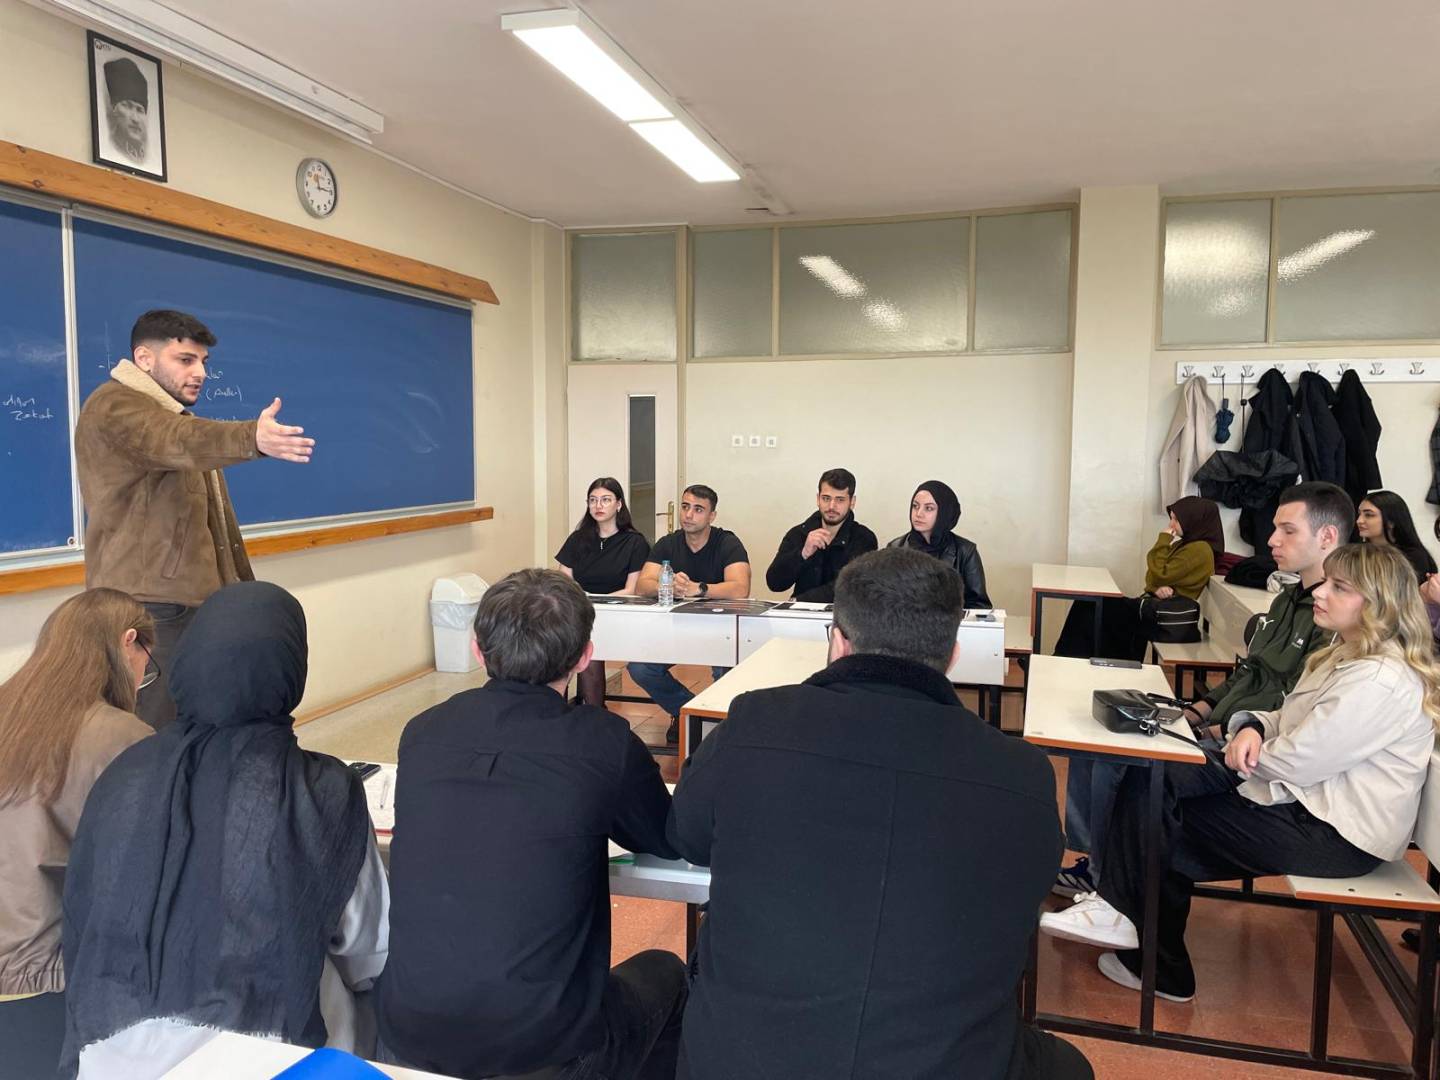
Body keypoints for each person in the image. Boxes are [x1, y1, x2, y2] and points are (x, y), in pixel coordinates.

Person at [668, 547, 1093, 1080]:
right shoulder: (1022, 774)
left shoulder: (755, 721)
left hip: (737, 1061)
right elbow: (1029, 886)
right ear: (953, 655)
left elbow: (685, 834)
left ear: (837, 641)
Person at [1040, 543, 1439, 1003]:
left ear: (1377, 604)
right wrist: (1253, 726)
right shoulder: (1348, 654)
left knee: (1160, 822)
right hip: (1301, 798)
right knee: (1155, 780)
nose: (1320, 592)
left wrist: (1240, 748)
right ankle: (1131, 928)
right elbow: (1286, 716)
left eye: (1339, 587)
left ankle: (1147, 948)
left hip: (1336, 833)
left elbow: (1302, 760)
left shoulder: (1380, 679)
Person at [60, 582, 388, 1079]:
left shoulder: (124, 773)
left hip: (109, 1048)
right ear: (290, 669)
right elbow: (368, 951)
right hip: (264, 1055)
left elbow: (82, 918)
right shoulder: (321, 789)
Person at [378, 569, 685, 1080]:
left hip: (404, 1037)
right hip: (544, 1054)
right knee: (668, 972)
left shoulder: (423, 731)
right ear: (585, 657)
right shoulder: (603, 742)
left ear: (477, 650)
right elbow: (664, 838)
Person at [1055, 482, 1351, 898]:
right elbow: (1248, 671)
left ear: (1327, 537)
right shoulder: (1285, 599)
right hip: (1224, 725)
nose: (1271, 540)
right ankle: (1096, 860)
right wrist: (1197, 710)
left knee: (1131, 767)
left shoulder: (1334, 619)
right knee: (1100, 742)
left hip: (1251, 747)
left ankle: (1106, 882)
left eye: (1287, 530)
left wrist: (1218, 728)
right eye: (1274, 528)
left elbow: (1293, 704)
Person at [75, 309, 316, 731]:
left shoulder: (169, 415)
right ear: (144, 359)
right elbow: (178, 440)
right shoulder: (115, 406)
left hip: (190, 602)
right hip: (150, 607)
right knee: (152, 728)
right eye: (185, 360)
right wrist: (252, 437)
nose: (200, 372)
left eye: (203, 361)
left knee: (195, 723)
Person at [0, 590, 154, 1080]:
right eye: (147, 664)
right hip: (51, 979)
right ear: (129, 642)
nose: (142, 680)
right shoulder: (121, 736)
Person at [633, 484, 751, 743]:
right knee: (640, 668)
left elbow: (740, 588)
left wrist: (700, 589)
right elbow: (642, 585)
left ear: (712, 516)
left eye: (698, 509)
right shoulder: (668, 543)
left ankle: (723, 727)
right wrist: (667, 586)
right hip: (677, 627)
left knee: (725, 673)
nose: (688, 514)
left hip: (720, 630)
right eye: (685, 507)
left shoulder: (727, 542)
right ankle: (688, 712)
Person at [1054, 495, 1223, 661]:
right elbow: (1152, 576)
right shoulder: (1186, 544)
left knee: (1090, 605)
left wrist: (1164, 540)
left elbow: (1158, 573)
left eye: (1176, 520)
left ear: (1193, 520)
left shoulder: (1200, 550)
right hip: (1154, 607)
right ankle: (1069, 659)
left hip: (1164, 615)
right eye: (1171, 518)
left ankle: (1065, 659)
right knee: (1090, 604)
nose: (1171, 525)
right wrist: (1156, 587)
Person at [556, 477, 651, 707]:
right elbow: (563, 580)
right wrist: (582, 603)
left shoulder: (634, 542)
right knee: (558, 647)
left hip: (618, 613)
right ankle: (557, 711)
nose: (598, 505)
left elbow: (632, 590)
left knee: (590, 644)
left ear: (619, 504)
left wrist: (595, 602)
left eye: (605, 500)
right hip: (580, 611)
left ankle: (594, 712)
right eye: (593, 500)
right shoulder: (578, 539)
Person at [765, 467, 878, 603]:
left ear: (852, 502)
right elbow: (774, 583)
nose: (831, 506)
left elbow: (852, 586)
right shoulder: (798, 533)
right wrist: (803, 554)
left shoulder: (864, 538)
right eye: (826, 498)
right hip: (800, 613)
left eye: (840, 500)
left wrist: (800, 600)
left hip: (843, 613)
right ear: (818, 499)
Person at [886, 480, 991, 609]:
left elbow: (979, 605)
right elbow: (885, 599)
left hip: (952, 622)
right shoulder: (896, 548)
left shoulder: (965, 551)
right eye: (915, 506)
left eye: (928, 508)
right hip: (904, 621)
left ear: (944, 513)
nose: (918, 514)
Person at [1356, 489, 1437, 583]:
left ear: (1391, 520)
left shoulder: (1413, 557)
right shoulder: (1358, 552)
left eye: (1369, 515)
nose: (1359, 521)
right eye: (1359, 514)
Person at [102, 57, 149, 165]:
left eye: (140, 110)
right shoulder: (111, 148)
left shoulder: (144, 154)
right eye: (127, 106)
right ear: (114, 110)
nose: (135, 119)